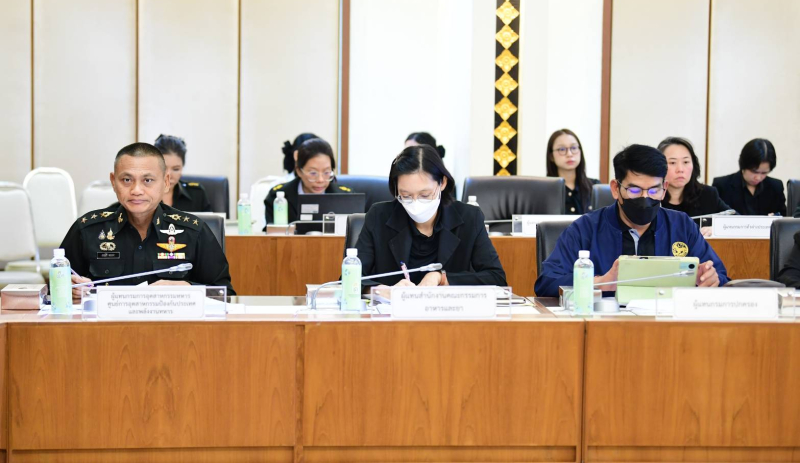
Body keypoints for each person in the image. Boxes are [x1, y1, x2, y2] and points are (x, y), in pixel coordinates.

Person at [535, 144, 728, 297]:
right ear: (615, 189)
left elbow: (721, 277)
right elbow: (547, 282)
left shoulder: (681, 225)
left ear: (664, 188)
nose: (645, 198)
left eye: (654, 190)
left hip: (668, 324)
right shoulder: (586, 228)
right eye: (634, 190)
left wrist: (711, 279)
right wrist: (601, 282)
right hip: (606, 325)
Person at [60, 143, 234, 298]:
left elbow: (225, 294)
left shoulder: (193, 231)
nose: (136, 190)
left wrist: (189, 288)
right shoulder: (87, 230)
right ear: (113, 182)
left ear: (166, 182)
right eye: (127, 180)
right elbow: (56, 291)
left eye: (148, 180)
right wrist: (70, 289)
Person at [354, 145, 506, 288]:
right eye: (406, 196)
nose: (415, 203)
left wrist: (442, 278)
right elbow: (351, 278)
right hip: (392, 307)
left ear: (442, 183)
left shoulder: (469, 218)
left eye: (425, 195)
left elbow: (496, 278)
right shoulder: (379, 216)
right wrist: (381, 290)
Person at [264, 137, 352, 226]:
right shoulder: (276, 197)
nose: (320, 180)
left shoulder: (347, 197)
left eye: (326, 172)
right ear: (299, 171)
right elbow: (270, 232)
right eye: (313, 173)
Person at [657, 137, 732, 237]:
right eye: (672, 163)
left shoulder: (707, 194)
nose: (680, 169)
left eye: (686, 162)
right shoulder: (651, 196)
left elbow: (736, 222)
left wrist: (717, 229)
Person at [713, 138, 787, 216]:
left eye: (764, 173)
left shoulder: (776, 187)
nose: (758, 177)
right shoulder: (722, 186)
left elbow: (784, 217)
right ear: (744, 165)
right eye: (754, 171)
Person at [153, 134, 212, 213]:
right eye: (164, 168)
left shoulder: (197, 194)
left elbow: (210, 220)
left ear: (182, 167)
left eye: (176, 169)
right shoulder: (143, 194)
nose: (169, 175)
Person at [546, 129, 599, 215]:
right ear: (551, 156)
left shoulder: (595, 187)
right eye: (562, 149)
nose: (569, 154)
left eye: (574, 148)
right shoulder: (544, 190)